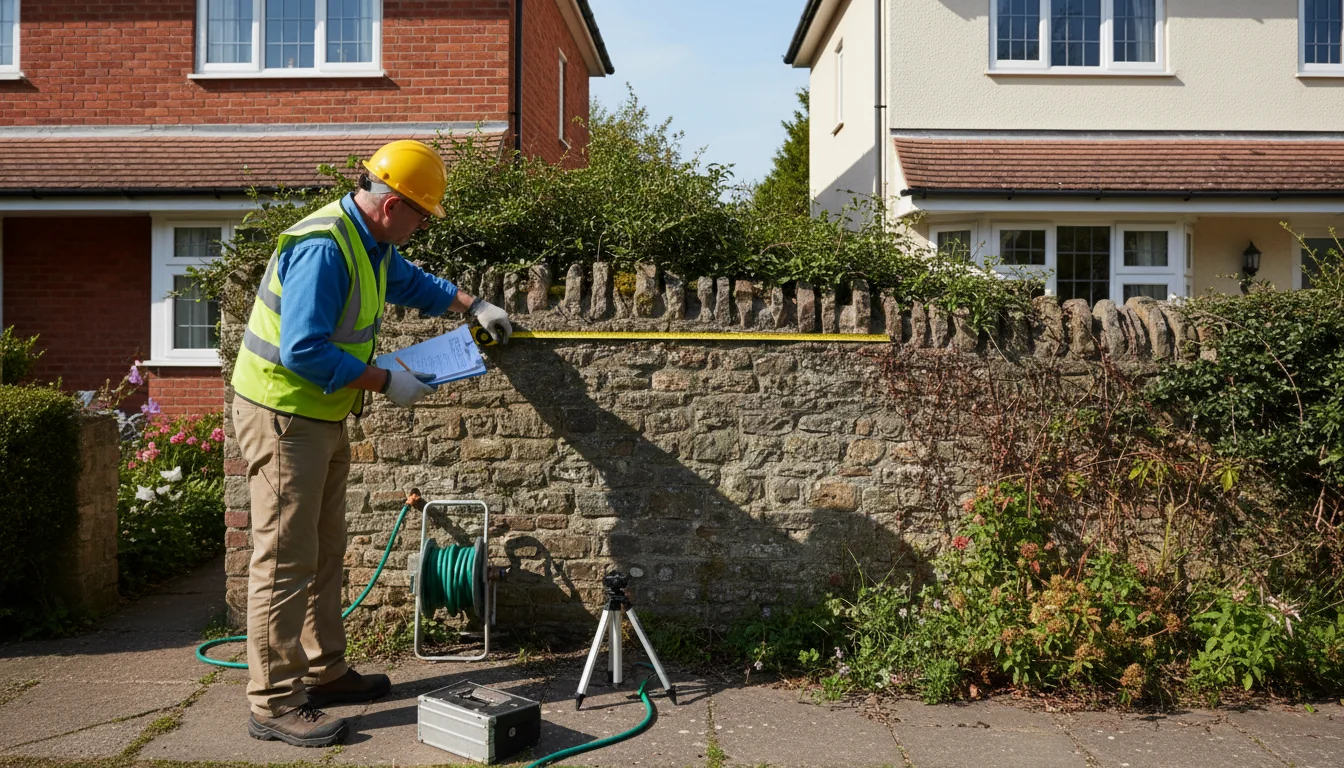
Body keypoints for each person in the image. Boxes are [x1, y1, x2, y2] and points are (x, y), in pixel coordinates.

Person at [230, 140, 512, 747]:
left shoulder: (371, 243)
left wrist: (472, 304)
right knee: (282, 560)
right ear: (392, 208)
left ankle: (324, 670)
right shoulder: (324, 248)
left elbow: (412, 283)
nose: (423, 227)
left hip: (319, 417)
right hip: (282, 417)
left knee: (325, 551)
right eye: (421, 216)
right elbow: (303, 350)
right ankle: (274, 702)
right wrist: (387, 380)